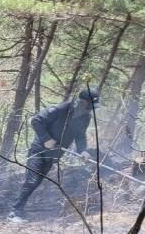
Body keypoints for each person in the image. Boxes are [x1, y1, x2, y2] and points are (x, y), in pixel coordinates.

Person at [9, 89, 100, 221]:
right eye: (89, 105)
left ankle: (19, 209)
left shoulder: (86, 117)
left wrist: (83, 150)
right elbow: (36, 120)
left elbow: (80, 135)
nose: (91, 109)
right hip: (39, 150)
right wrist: (46, 139)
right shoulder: (61, 109)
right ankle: (14, 212)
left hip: (54, 154)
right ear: (82, 102)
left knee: (37, 182)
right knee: (32, 180)